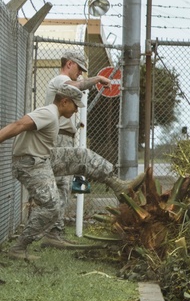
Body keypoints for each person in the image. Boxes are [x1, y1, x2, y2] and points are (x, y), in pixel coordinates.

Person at [0, 84, 143, 260]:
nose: (76, 110)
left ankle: (118, 185)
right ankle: (19, 248)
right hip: (29, 163)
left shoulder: (53, 114)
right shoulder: (48, 113)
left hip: (44, 158)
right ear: (64, 101)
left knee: (82, 156)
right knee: (52, 206)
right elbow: (19, 124)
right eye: (75, 105)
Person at [42, 49, 113, 248]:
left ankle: (54, 231)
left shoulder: (63, 81)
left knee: (63, 186)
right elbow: (78, 85)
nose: (80, 74)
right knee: (60, 186)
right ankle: (52, 232)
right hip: (59, 138)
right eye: (79, 69)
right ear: (69, 64)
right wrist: (98, 78)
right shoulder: (59, 80)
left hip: (64, 138)